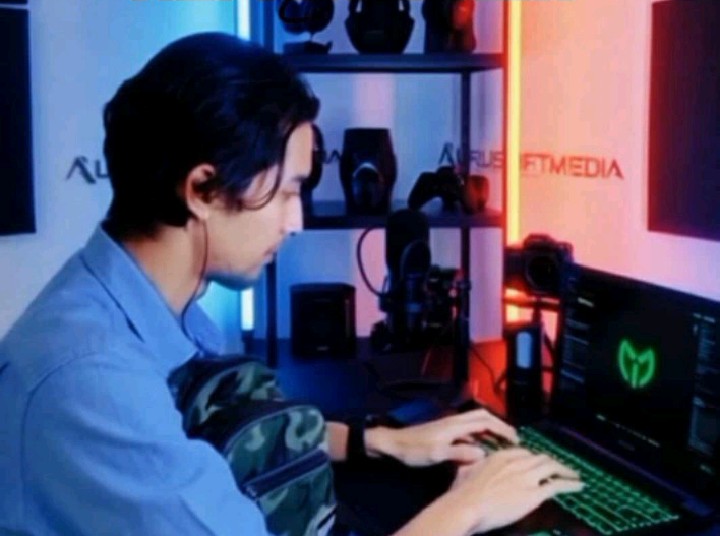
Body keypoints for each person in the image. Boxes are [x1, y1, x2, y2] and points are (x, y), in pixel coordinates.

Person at [0, 33, 582, 536]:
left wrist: (378, 442)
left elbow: (221, 431)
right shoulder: (92, 382)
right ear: (202, 189)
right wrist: (468, 507)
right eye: (284, 192)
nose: (296, 220)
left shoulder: (136, 301)